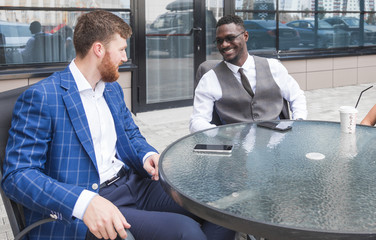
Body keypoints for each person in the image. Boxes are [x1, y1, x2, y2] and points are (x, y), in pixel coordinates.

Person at [1, 10, 235, 240]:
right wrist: (83, 202)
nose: (125, 57)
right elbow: (18, 175)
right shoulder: (43, 96)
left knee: (218, 206)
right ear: (99, 49)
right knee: (186, 229)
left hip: (133, 183)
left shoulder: (111, 88)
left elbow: (131, 134)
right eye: (122, 49)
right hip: (93, 199)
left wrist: (147, 155)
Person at [190, 15, 307, 133]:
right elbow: (197, 121)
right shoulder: (210, 78)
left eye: (230, 38)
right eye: (219, 41)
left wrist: (298, 121)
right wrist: (220, 134)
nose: (224, 45)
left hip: (276, 141)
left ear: (245, 36)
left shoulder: (273, 67)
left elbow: (297, 96)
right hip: (237, 147)